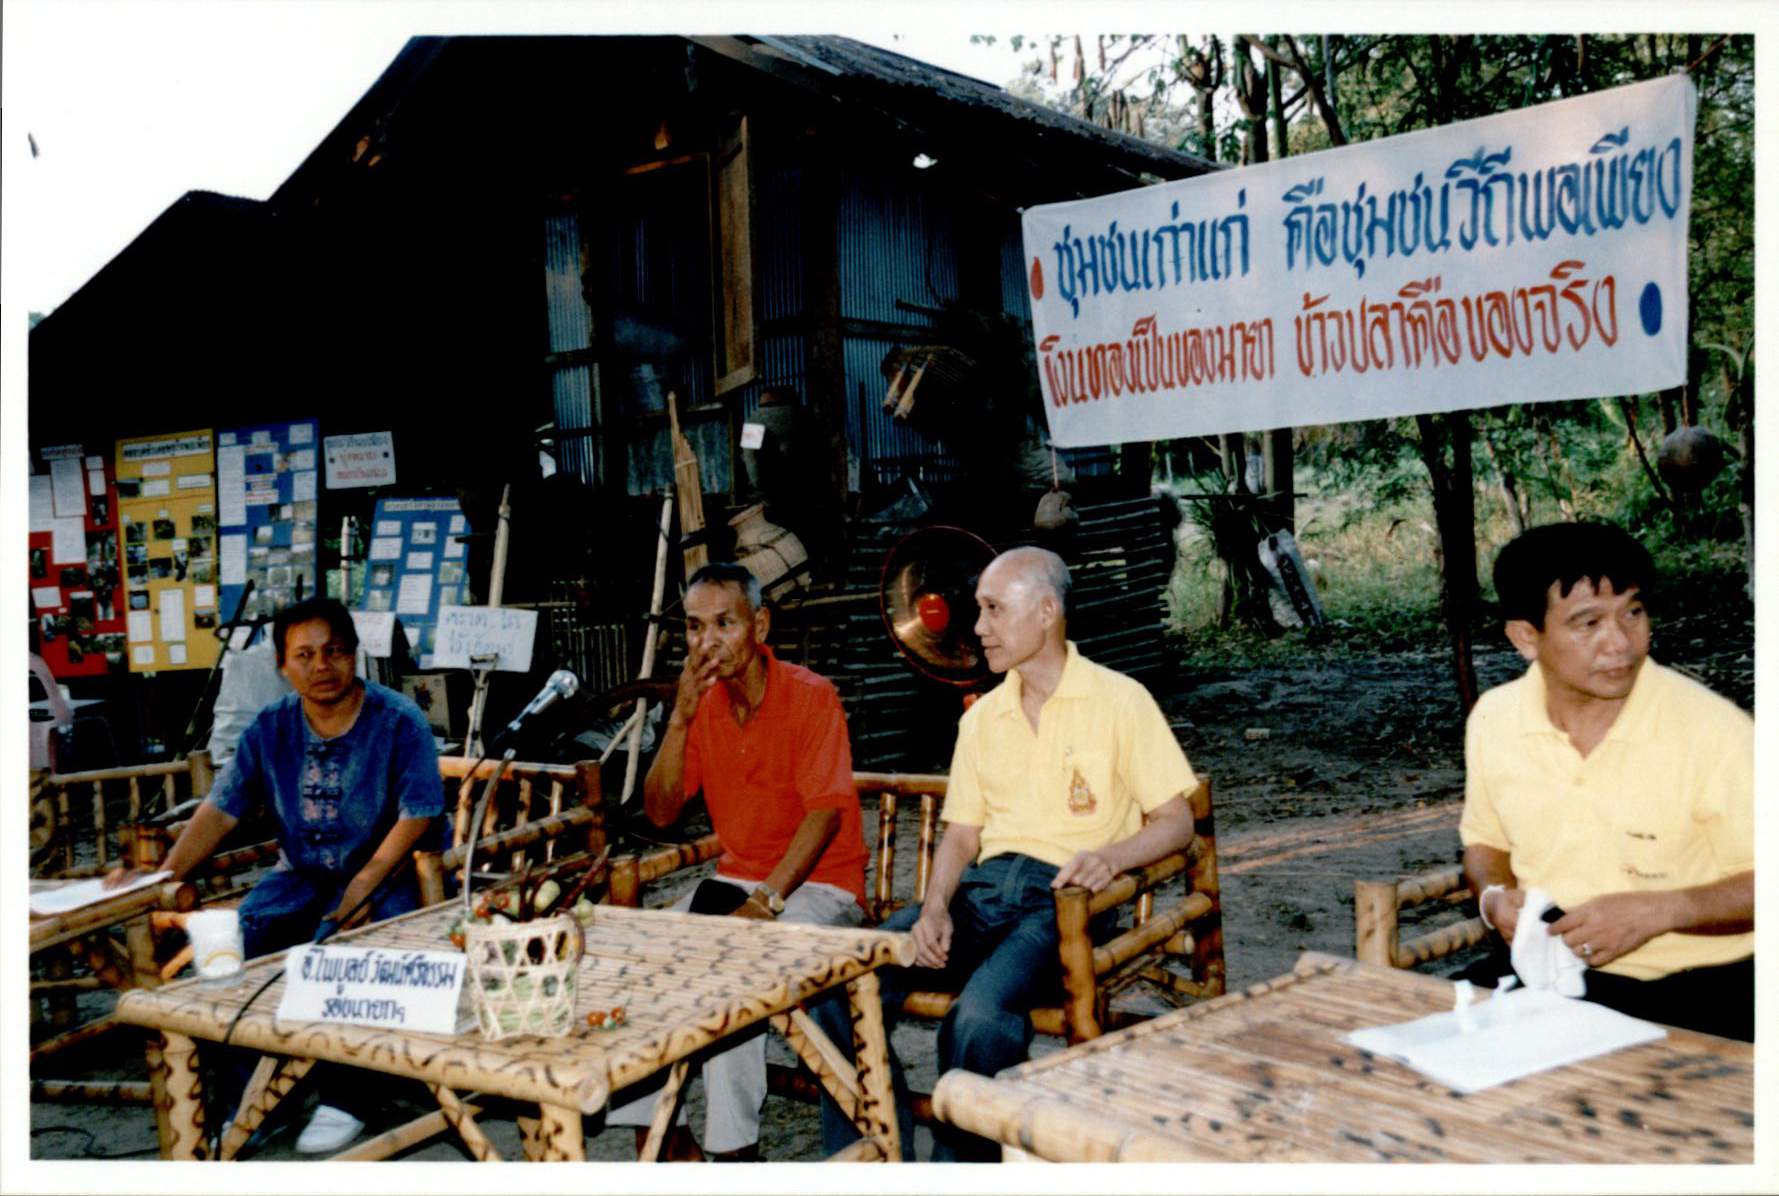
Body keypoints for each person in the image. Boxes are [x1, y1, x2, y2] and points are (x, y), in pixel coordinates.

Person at [842, 546, 1199, 1161]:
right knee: (845, 982)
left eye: (992, 610)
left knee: (978, 1019)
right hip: (982, 896)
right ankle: (876, 1151)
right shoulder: (984, 719)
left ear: (1046, 612)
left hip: (1062, 904)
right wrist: (933, 909)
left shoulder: (1120, 700)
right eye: (978, 610)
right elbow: (961, 834)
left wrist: (1111, 856)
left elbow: (1176, 821)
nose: (976, 627)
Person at [105, 596, 445, 1153]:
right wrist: (159, 876)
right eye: (304, 654)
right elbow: (220, 809)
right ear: (283, 666)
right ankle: (258, 1100)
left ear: (354, 654)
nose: (322, 666)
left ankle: (348, 1094)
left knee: (346, 952)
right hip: (302, 876)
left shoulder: (398, 721)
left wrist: (363, 886)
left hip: (390, 874)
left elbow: (420, 813)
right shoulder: (270, 727)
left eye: (334, 651)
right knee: (230, 952)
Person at [604, 562, 869, 1161]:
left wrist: (763, 903)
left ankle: (733, 1153)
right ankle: (663, 1140)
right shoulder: (705, 705)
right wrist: (679, 717)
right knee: (643, 952)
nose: (709, 641)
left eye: (725, 622)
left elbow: (825, 814)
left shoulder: (810, 695)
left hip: (823, 888)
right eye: (696, 627)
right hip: (737, 882)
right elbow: (663, 812)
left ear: (760, 624)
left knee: (732, 966)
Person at [1461, 522, 1753, 1040]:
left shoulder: (1713, 731)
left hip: (1706, 991)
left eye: (1633, 612)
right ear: (1526, 636)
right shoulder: (1495, 718)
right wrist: (1495, 899)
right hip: (1549, 982)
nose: (1620, 642)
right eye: (1588, 622)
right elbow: (1486, 843)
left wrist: (1661, 912)